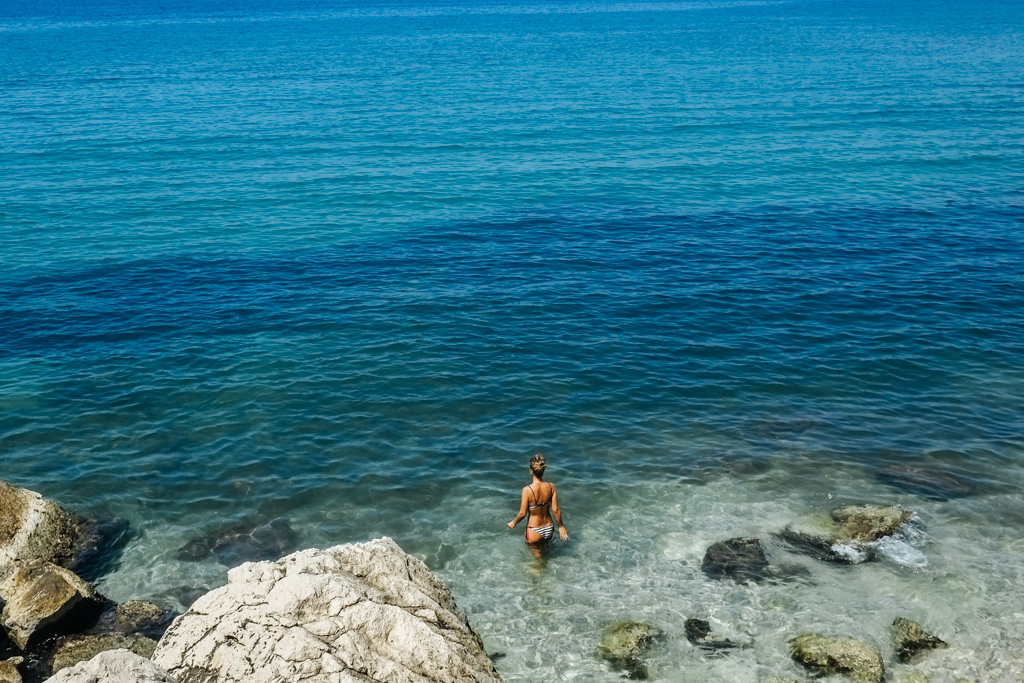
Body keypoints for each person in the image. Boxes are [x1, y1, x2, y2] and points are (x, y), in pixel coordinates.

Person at [507, 454, 568, 557]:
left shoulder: (527, 490)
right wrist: (561, 526)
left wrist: (514, 522)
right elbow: (555, 510)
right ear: (543, 470)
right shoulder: (551, 486)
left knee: (538, 561)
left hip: (534, 530)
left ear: (531, 471)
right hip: (549, 528)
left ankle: (540, 570)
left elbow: (522, 513)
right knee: (546, 552)